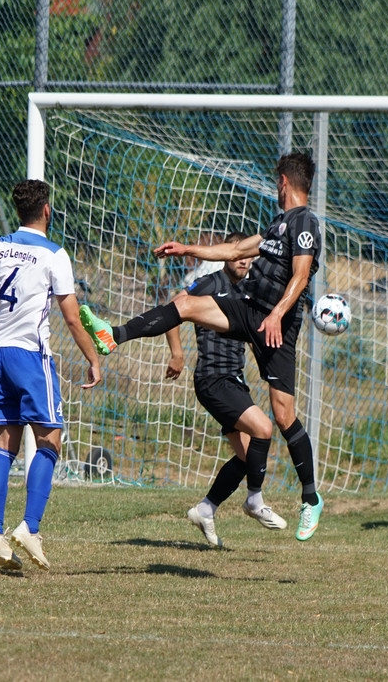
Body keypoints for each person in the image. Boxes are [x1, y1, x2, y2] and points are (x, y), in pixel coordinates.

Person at [80, 152, 325, 541]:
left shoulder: (305, 222)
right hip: (248, 308)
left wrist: (278, 314)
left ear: (283, 181)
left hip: (276, 325)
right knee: (185, 305)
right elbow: (234, 251)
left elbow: (300, 274)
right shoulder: (277, 225)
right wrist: (188, 250)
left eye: (275, 183)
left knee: (282, 415)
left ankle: (310, 499)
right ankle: (114, 335)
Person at [0, 178, 102, 571]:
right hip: (31, 356)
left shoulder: (1, 245)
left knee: (6, 443)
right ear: (47, 210)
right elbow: (72, 317)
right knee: (50, 440)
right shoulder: (55, 254)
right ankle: (30, 527)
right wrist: (93, 357)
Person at [163, 232, 286, 547]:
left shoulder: (249, 291)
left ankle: (206, 509)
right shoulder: (209, 284)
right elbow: (173, 308)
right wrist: (177, 353)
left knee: (248, 457)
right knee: (263, 429)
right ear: (226, 255)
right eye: (238, 255)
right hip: (213, 377)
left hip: (234, 379)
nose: (244, 261)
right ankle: (255, 500)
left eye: (248, 257)